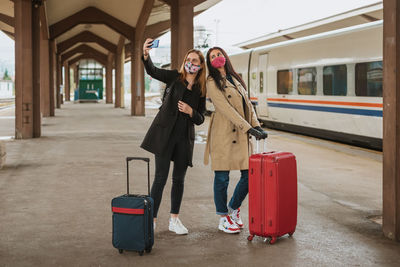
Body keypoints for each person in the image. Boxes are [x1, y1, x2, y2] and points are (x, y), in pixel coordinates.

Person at [141, 38, 206, 235]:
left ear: (201, 65)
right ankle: (151, 221)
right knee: (160, 178)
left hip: (183, 140)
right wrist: (145, 54)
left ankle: (174, 220)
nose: (191, 63)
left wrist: (190, 111)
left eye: (195, 61)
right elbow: (152, 71)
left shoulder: (200, 90)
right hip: (164, 136)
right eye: (189, 59)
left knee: (179, 180)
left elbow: (201, 118)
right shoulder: (174, 77)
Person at [204, 47, 268, 234]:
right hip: (224, 133)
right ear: (210, 62)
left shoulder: (235, 78)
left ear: (225, 57)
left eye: (219, 54)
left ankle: (233, 208)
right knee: (222, 177)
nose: (217, 58)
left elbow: (247, 104)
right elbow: (225, 108)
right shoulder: (211, 81)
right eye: (212, 56)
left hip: (241, 133)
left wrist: (256, 125)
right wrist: (248, 128)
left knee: (249, 175)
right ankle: (223, 217)